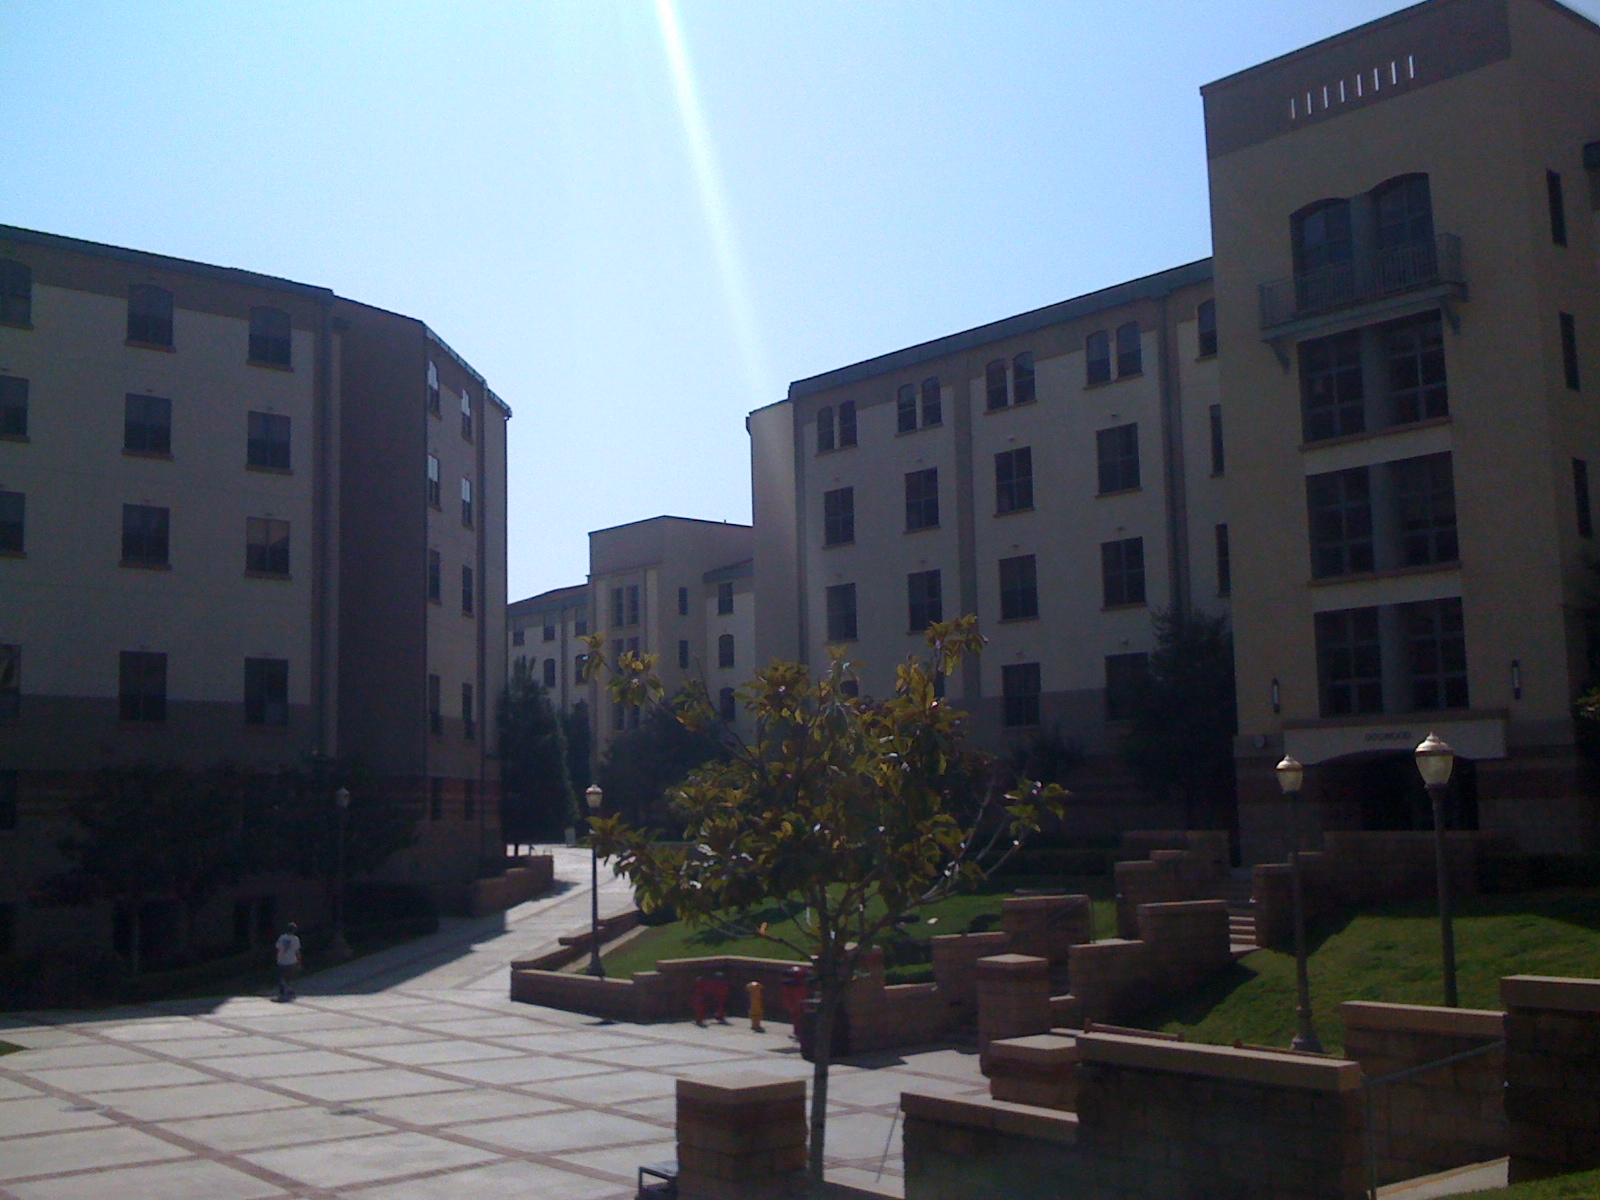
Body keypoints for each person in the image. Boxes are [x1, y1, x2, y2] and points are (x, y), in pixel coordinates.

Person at [274, 922, 302, 1002]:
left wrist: (278, 958)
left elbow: (278, 948)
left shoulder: (281, 938)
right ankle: (289, 989)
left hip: (282, 960)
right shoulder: (295, 939)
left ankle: (282, 988)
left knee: (282, 975)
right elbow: (297, 951)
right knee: (290, 976)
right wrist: (299, 962)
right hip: (292, 960)